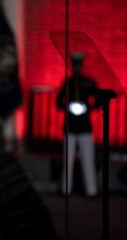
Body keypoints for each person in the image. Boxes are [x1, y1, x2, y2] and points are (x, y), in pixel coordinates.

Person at [56, 52, 99, 197]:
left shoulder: (89, 82)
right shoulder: (67, 83)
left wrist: (88, 107)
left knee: (88, 160)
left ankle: (91, 190)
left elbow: (98, 101)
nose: (77, 67)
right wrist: (68, 107)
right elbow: (58, 102)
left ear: (82, 65)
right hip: (70, 126)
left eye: (78, 64)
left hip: (85, 126)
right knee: (67, 161)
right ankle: (65, 190)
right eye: (75, 64)